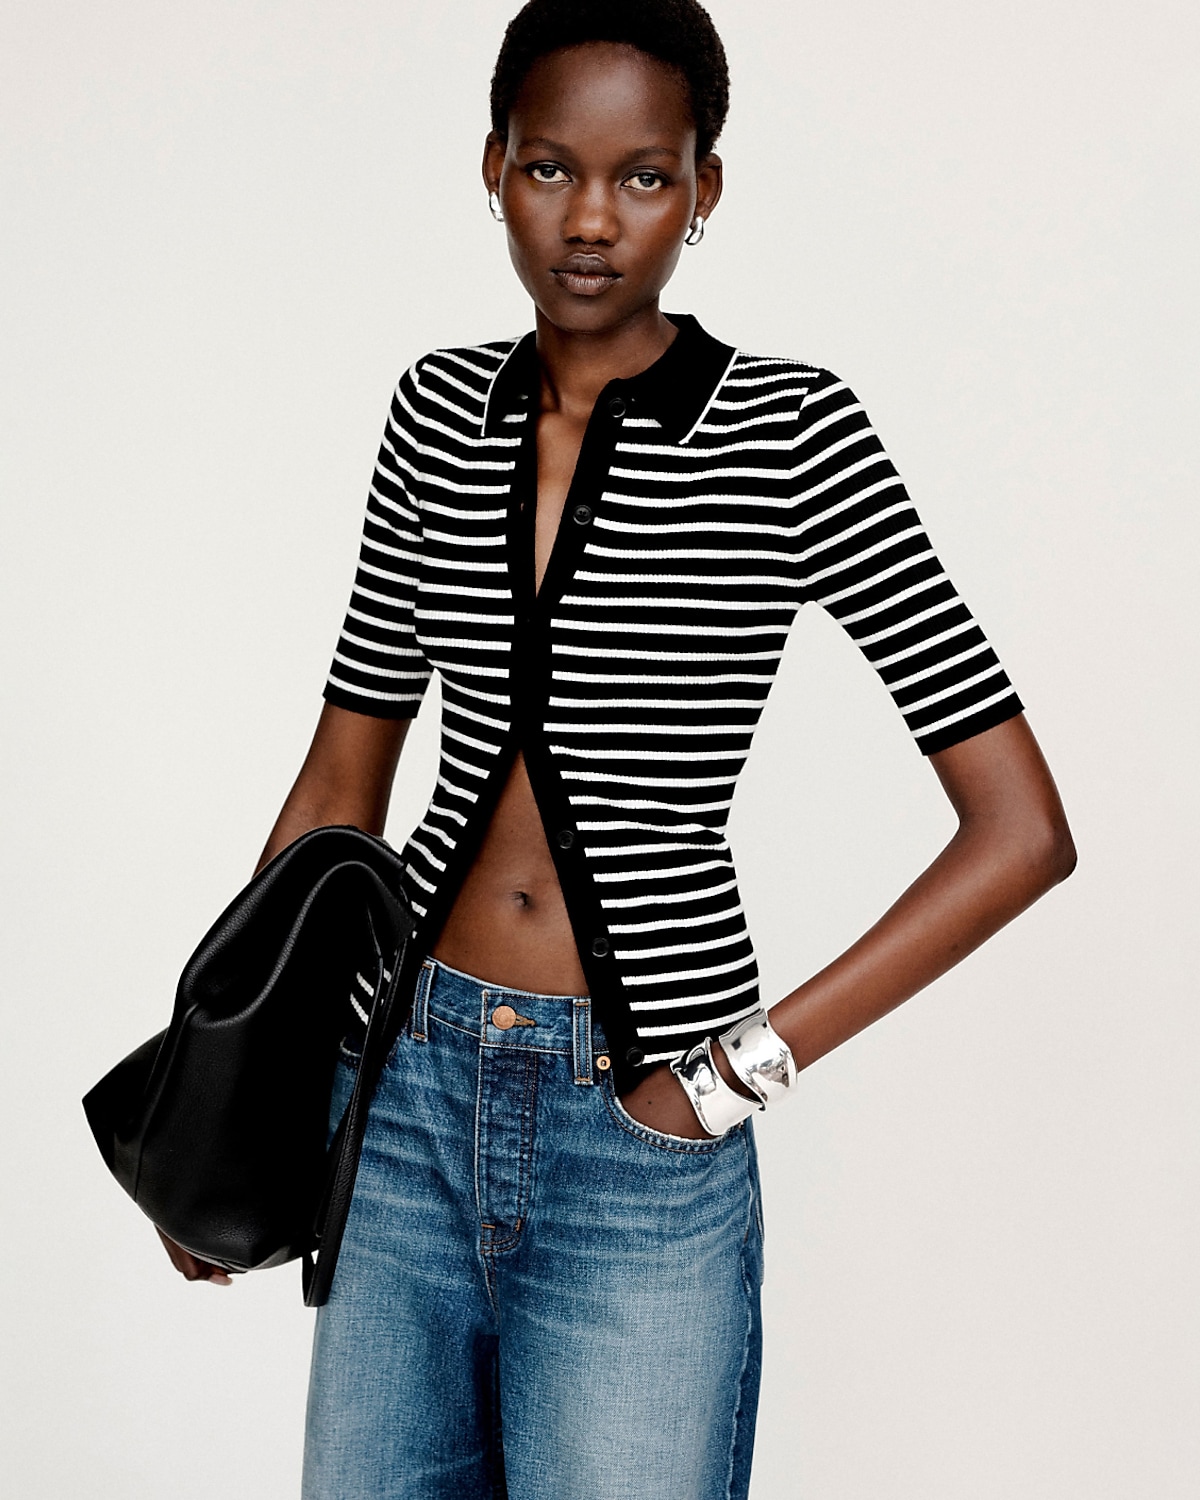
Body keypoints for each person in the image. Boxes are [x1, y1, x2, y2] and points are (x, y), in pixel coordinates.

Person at [157, 1, 1076, 1494]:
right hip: (396, 1111)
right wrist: (240, 1109)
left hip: (640, 1132)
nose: (591, 220)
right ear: (492, 169)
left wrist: (732, 1078)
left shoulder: (793, 434)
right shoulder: (437, 411)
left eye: (644, 177)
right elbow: (343, 782)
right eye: (549, 170)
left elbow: (1021, 830)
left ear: (705, 188)